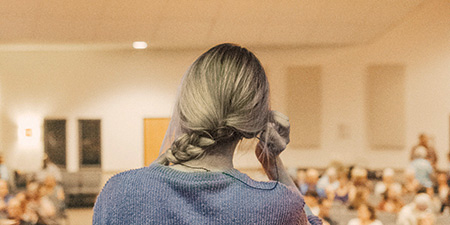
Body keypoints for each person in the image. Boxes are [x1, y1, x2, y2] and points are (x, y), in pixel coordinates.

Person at [93, 43, 322, 224]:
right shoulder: (277, 205)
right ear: (255, 120)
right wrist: (273, 165)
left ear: (185, 106)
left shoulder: (119, 192)